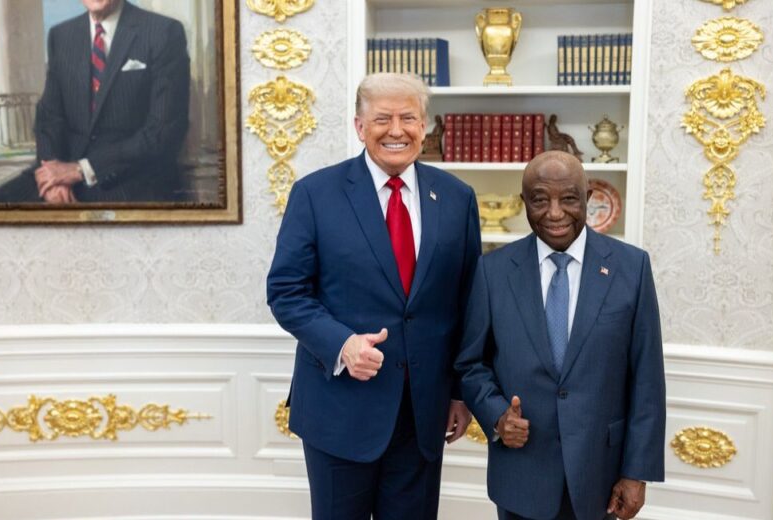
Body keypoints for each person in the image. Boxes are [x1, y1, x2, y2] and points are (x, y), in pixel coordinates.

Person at [266, 72, 482, 520]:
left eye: (409, 118)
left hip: (423, 415)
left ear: (425, 126)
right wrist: (342, 344)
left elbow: (468, 303)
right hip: (339, 408)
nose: (397, 130)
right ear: (360, 127)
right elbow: (286, 292)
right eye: (382, 118)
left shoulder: (458, 199)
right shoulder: (315, 193)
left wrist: (460, 393)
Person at [455, 151, 665, 520]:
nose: (554, 213)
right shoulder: (492, 271)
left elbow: (647, 379)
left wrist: (637, 472)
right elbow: (471, 363)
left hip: (600, 474)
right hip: (521, 473)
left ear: (587, 198)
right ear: (524, 203)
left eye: (568, 198)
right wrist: (497, 415)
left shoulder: (632, 268)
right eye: (540, 199)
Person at [0, 0, 190, 204]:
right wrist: (54, 178)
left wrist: (81, 170)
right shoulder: (61, 35)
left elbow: (163, 133)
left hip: (130, 178)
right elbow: (48, 117)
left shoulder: (164, 32)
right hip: (63, 173)